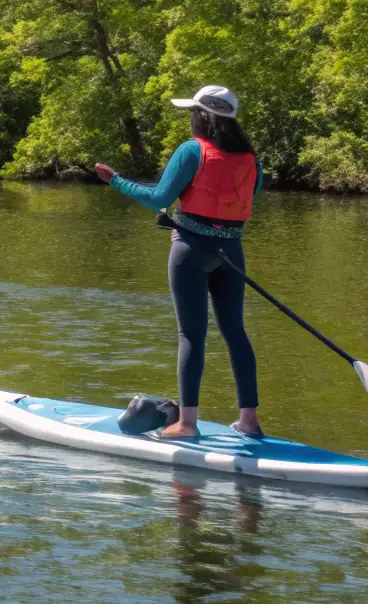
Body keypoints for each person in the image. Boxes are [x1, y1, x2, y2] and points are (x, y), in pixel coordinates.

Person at [94, 85, 265, 439]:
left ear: (202, 116)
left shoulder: (192, 151)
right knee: (235, 332)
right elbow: (246, 197)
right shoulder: (251, 160)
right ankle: (249, 421)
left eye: (192, 112)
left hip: (191, 250)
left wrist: (118, 183)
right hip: (231, 255)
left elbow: (159, 197)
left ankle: (187, 425)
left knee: (192, 335)